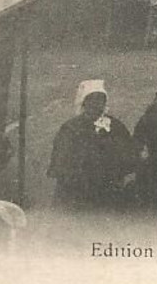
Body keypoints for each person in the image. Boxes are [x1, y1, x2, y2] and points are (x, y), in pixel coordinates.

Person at [47, 80, 136, 210]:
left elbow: (128, 154)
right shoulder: (70, 128)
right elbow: (61, 160)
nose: (97, 104)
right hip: (77, 192)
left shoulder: (115, 126)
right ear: (84, 103)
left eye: (101, 100)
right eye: (92, 100)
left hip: (109, 189)